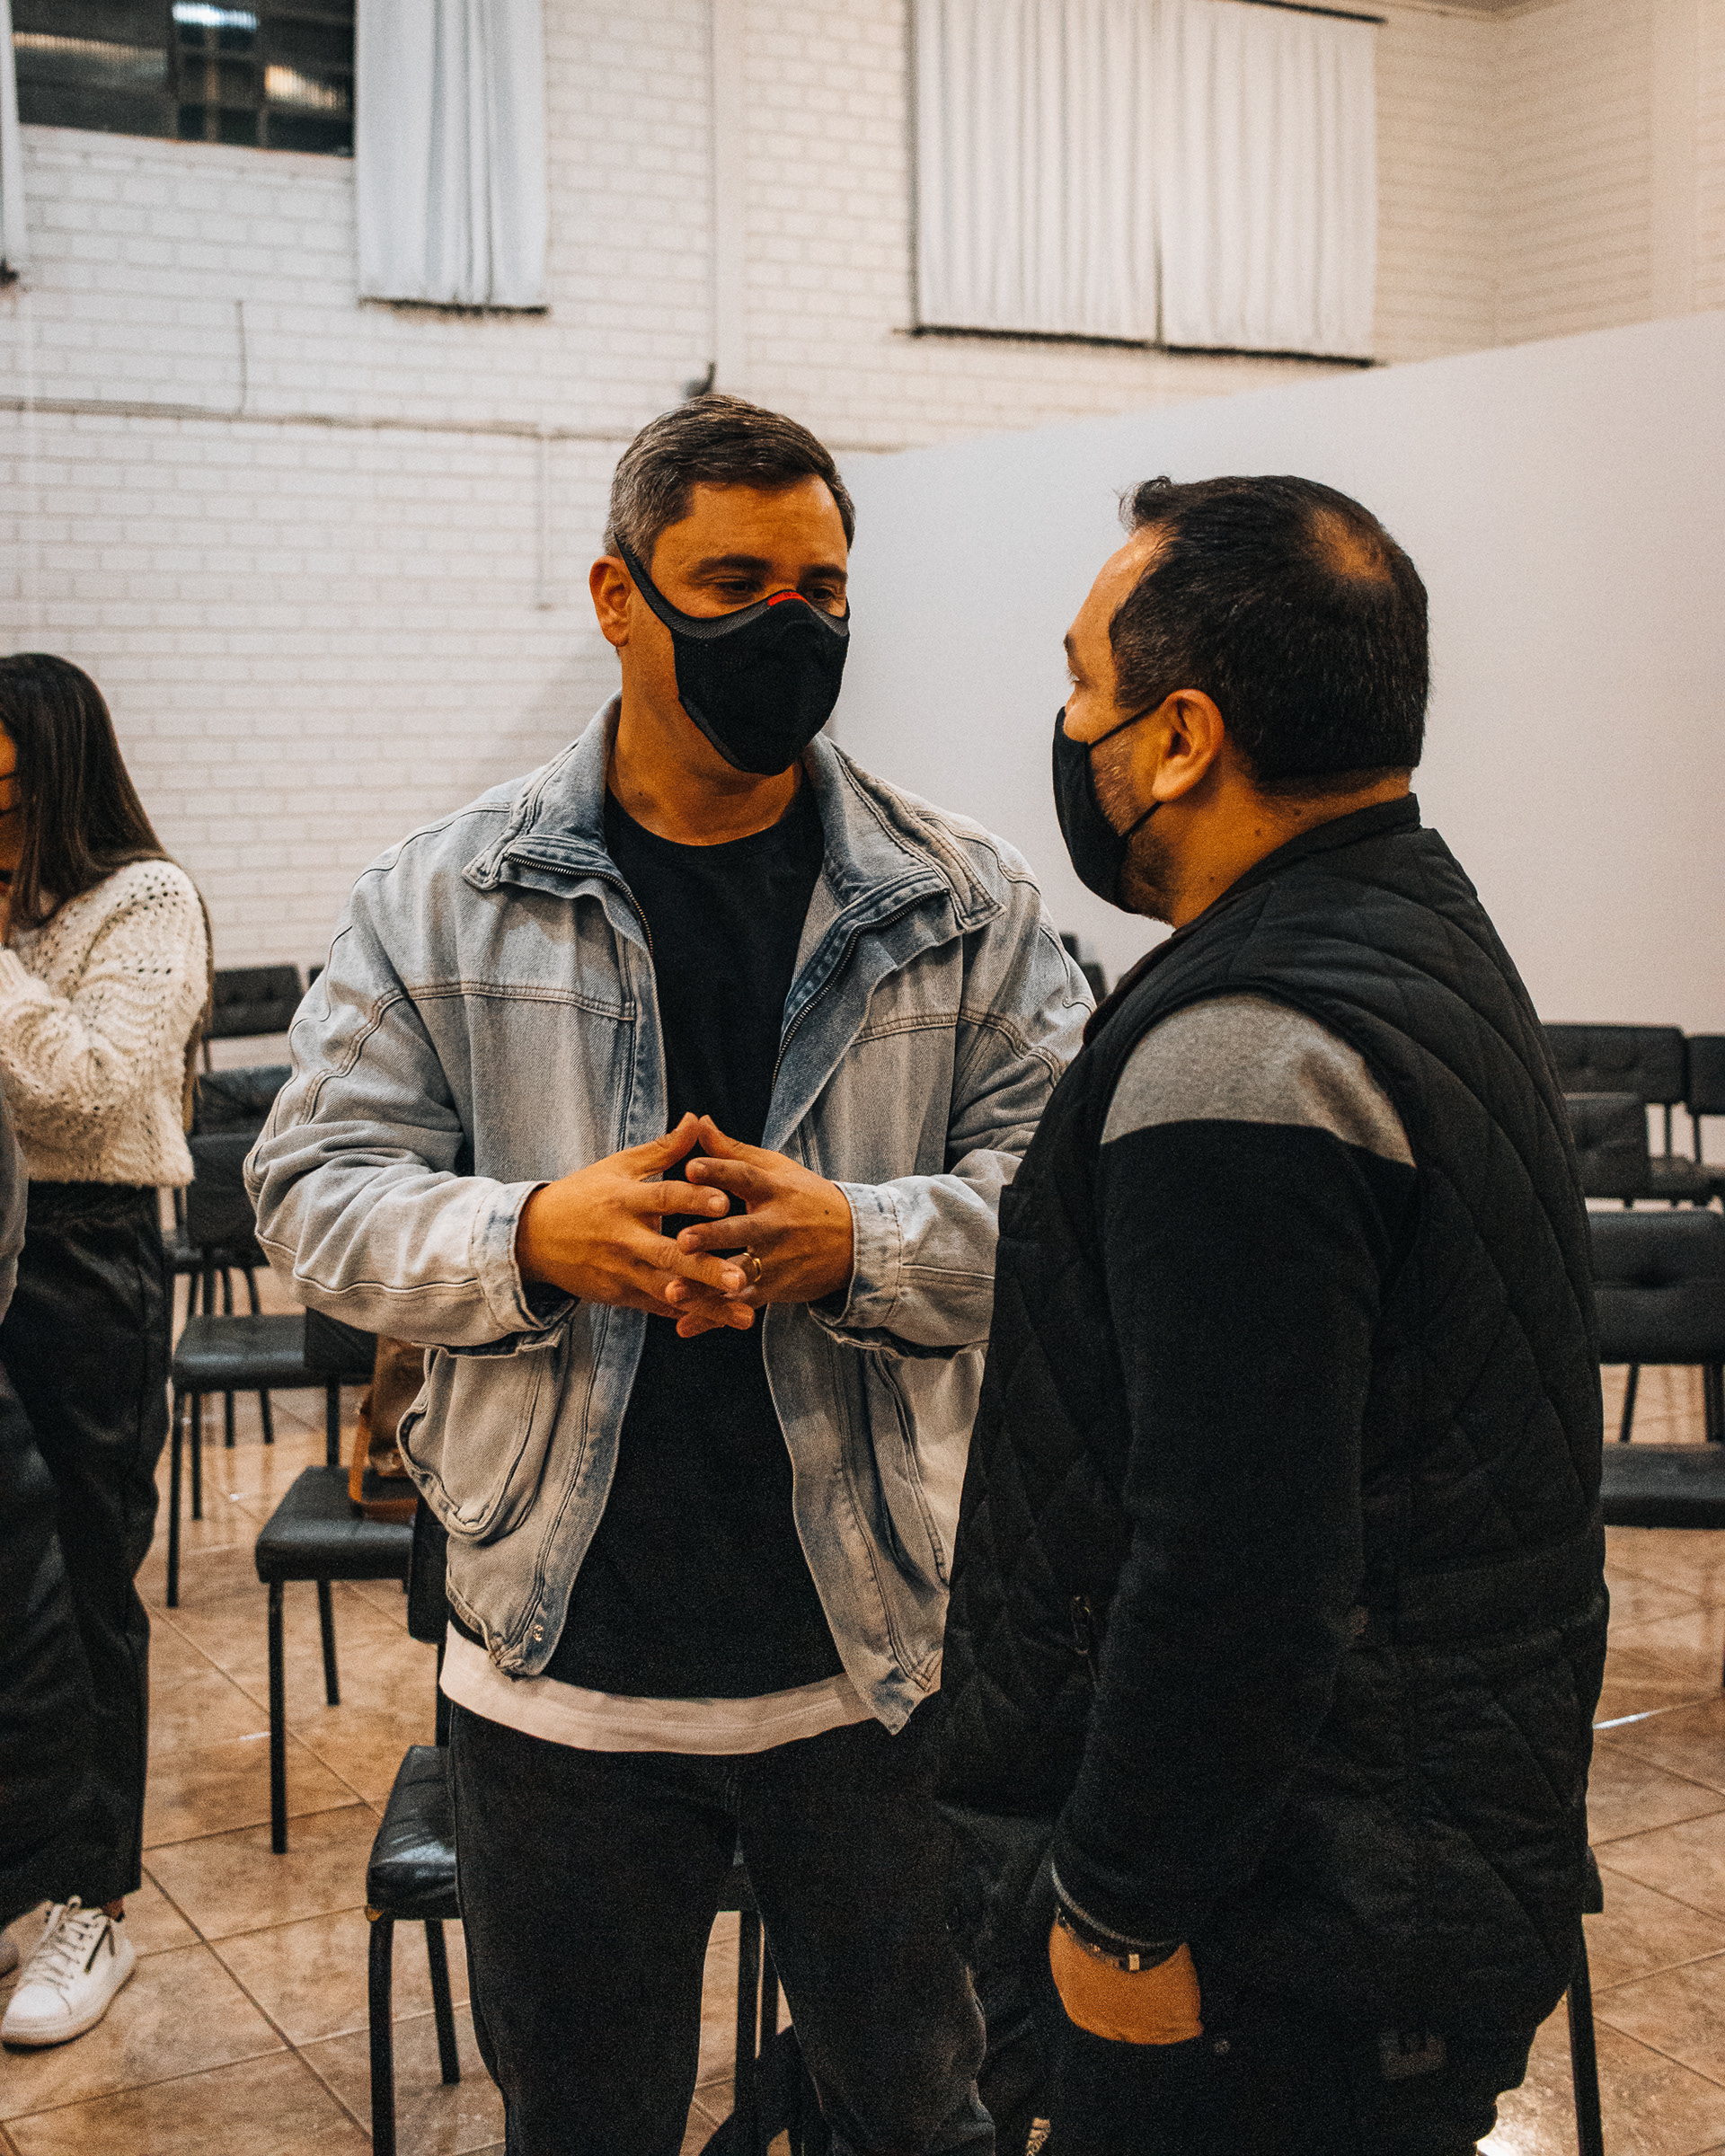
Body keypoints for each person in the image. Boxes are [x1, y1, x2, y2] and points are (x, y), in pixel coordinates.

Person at [247, 394, 1090, 2154]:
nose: (791, 627)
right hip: (561, 1671)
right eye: (734, 586)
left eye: (822, 590)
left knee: (922, 2113)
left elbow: (1073, 1219)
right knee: (587, 2124)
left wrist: (859, 1239)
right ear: (619, 599)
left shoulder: (965, 901)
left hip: (876, 1656)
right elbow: (311, 1192)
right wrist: (530, 1238)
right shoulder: (445, 896)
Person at [937, 475, 1606, 2156]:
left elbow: (1236, 1567)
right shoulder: (1412, 934)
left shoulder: (1242, 1054)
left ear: (1179, 738)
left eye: (1081, 682)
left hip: (1273, 1943)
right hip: (1399, 1872)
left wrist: (1119, 1908)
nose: (1065, 725)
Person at [0, 653, 211, 2046]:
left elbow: (88, 1085)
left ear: (58, 776)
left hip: (83, 1256)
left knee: (82, 1579)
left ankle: (91, 1900)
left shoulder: (143, 900)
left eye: (7, 793)